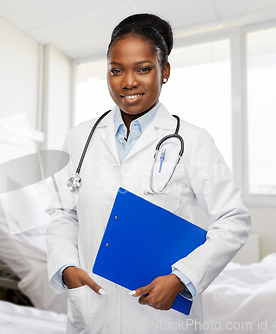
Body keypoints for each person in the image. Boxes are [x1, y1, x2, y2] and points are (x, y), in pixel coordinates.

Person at [46, 13, 251, 334]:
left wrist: (182, 278)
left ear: (164, 71)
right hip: (93, 308)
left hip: (160, 317)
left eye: (142, 69)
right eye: (116, 70)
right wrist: (66, 266)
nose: (128, 81)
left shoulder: (193, 140)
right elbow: (62, 213)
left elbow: (233, 220)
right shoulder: (80, 138)